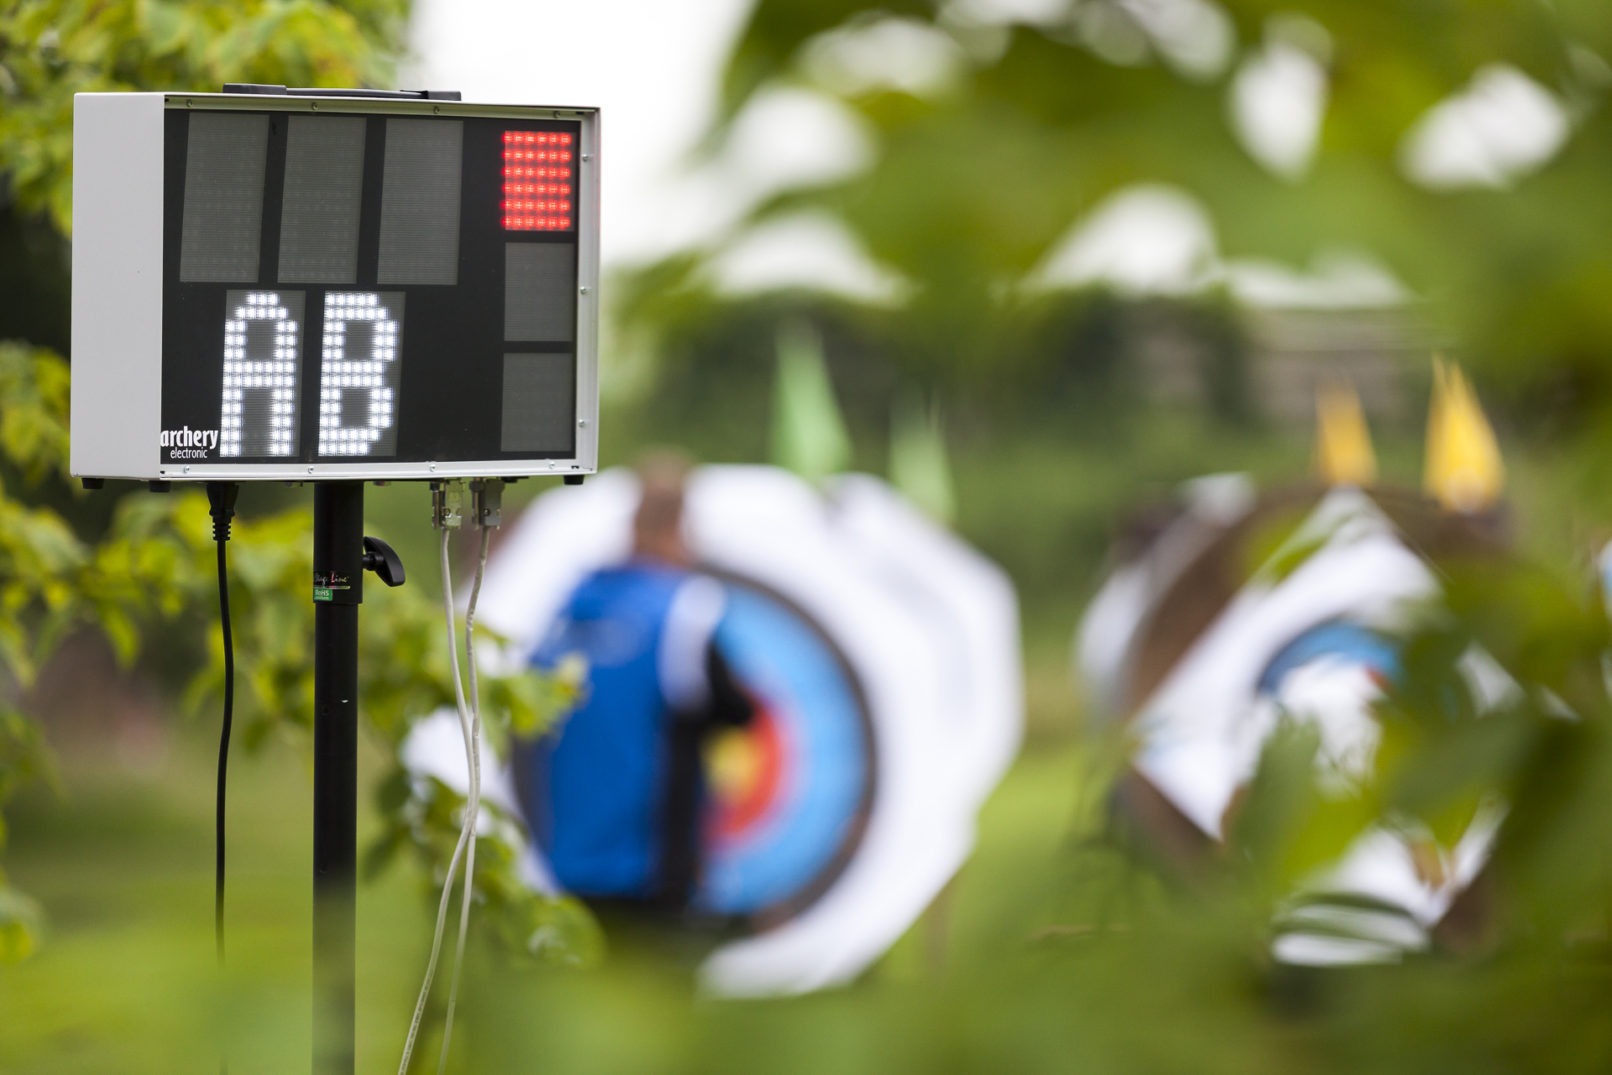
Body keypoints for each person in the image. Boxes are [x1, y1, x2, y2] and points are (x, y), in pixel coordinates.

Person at [512, 454, 754, 916]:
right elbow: (737, 709)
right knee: (651, 983)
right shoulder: (683, 607)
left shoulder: (572, 604)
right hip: (649, 865)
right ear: (681, 524)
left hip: (564, 858)